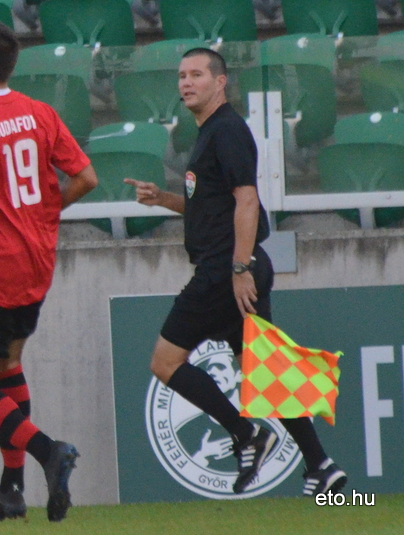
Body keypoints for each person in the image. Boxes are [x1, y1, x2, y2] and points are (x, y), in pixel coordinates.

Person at [126, 48, 347, 498]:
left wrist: (239, 267)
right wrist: (163, 200)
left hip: (224, 269)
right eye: (182, 76)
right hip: (235, 266)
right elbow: (211, 204)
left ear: (220, 82)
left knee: (164, 362)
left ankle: (247, 433)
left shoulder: (226, 130)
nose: (186, 83)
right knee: (261, 369)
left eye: (197, 75)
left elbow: (247, 200)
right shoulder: (210, 134)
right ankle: (320, 465)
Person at [0, 18, 99, 522]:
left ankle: (48, 450)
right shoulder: (39, 112)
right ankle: (11, 489)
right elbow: (86, 178)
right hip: (36, 263)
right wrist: (44, 213)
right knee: (4, 366)